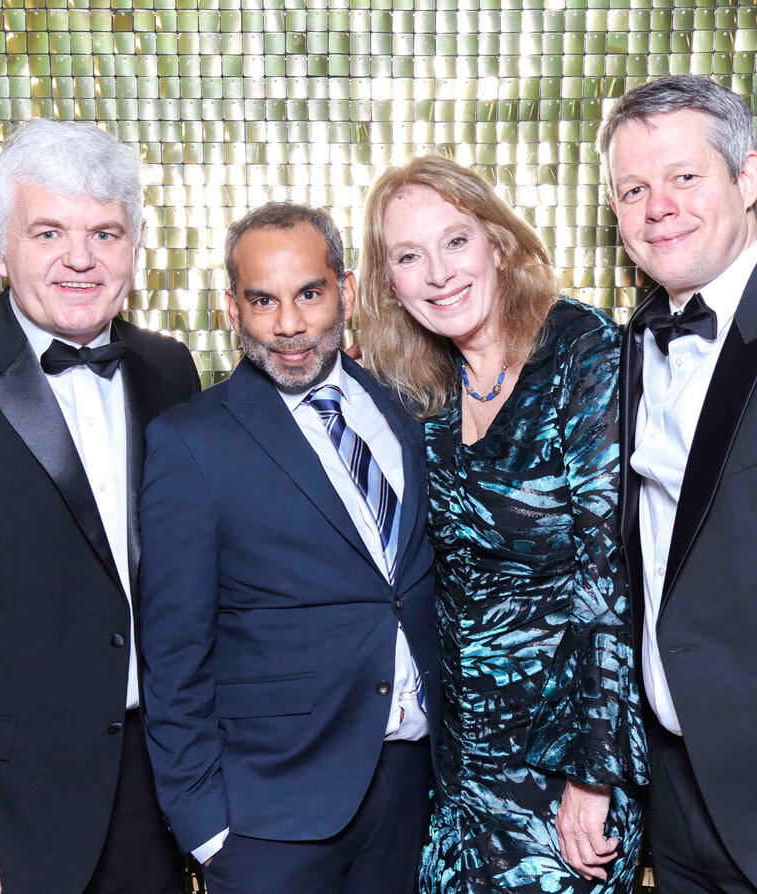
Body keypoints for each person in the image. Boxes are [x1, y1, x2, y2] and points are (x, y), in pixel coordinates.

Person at [358, 154, 647, 894]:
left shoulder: (577, 348)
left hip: (563, 768)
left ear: (498, 242)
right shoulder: (424, 389)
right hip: (457, 773)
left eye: (456, 241)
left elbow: (609, 573)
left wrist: (594, 770)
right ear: (390, 282)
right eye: (409, 257)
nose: (438, 273)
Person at [138, 201, 440, 894]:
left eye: (310, 292)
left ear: (348, 290)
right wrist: (206, 830)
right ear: (231, 310)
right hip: (269, 819)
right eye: (262, 300)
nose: (289, 325)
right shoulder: (192, 442)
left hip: (407, 791)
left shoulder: (401, 407)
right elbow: (174, 651)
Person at [0, 119, 199, 894]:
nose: (80, 259)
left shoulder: (169, 370)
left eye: (105, 232)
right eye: (49, 231)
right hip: (1, 812)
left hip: (156, 795)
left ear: (134, 243)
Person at [598, 75, 757, 893]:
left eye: (684, 177)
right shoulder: (626, 351)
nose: (658, 206)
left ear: (748, 179)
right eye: (634, 189)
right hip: (670, 791)